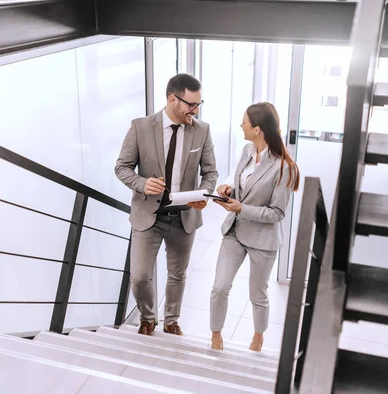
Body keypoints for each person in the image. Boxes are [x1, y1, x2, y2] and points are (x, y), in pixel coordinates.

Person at [115, 73, 218, 336]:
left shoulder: (202, 130)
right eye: (190, 104)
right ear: (172, 99)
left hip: (184, 217)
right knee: (139, 276)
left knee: (177, 274)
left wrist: (204, 193)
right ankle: (148, 317)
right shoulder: (140, 127)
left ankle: (171, 320)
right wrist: (141, 183)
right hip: (147, 215)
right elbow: (122, 167)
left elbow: (210, 172)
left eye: (198, 104)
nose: (194, 110)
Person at [209, 102, 299, 351]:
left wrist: (242, 208)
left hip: (263, 238)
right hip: (235, 231)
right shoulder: (247, 151)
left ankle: (258, 337)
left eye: (244, 122)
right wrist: (228, 188)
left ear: (257, 129)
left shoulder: (284, 167)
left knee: (257, 295)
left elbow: (277, 212)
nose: (241, 126)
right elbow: (244, 185)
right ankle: (216, 336)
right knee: (219, 287)